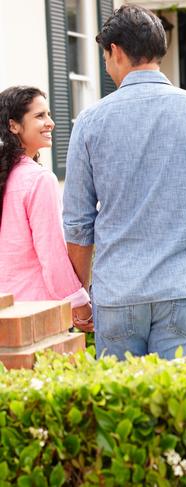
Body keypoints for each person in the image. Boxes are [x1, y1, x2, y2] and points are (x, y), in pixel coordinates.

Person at [63, 5, 186, 360]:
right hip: (184, 287)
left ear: (115, 51)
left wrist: (80, 295)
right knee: (179, 411)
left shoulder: (90, 122)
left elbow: (79, 224)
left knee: (121, 409)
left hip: (118, 292)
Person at [0, 86, 92, 330]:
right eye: (39, 116)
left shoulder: (10, 177)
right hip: (36, 313)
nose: (50, 123)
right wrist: (79, 303)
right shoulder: (39, 179)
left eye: (49, 114)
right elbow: (52, 255)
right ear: (13, 126)